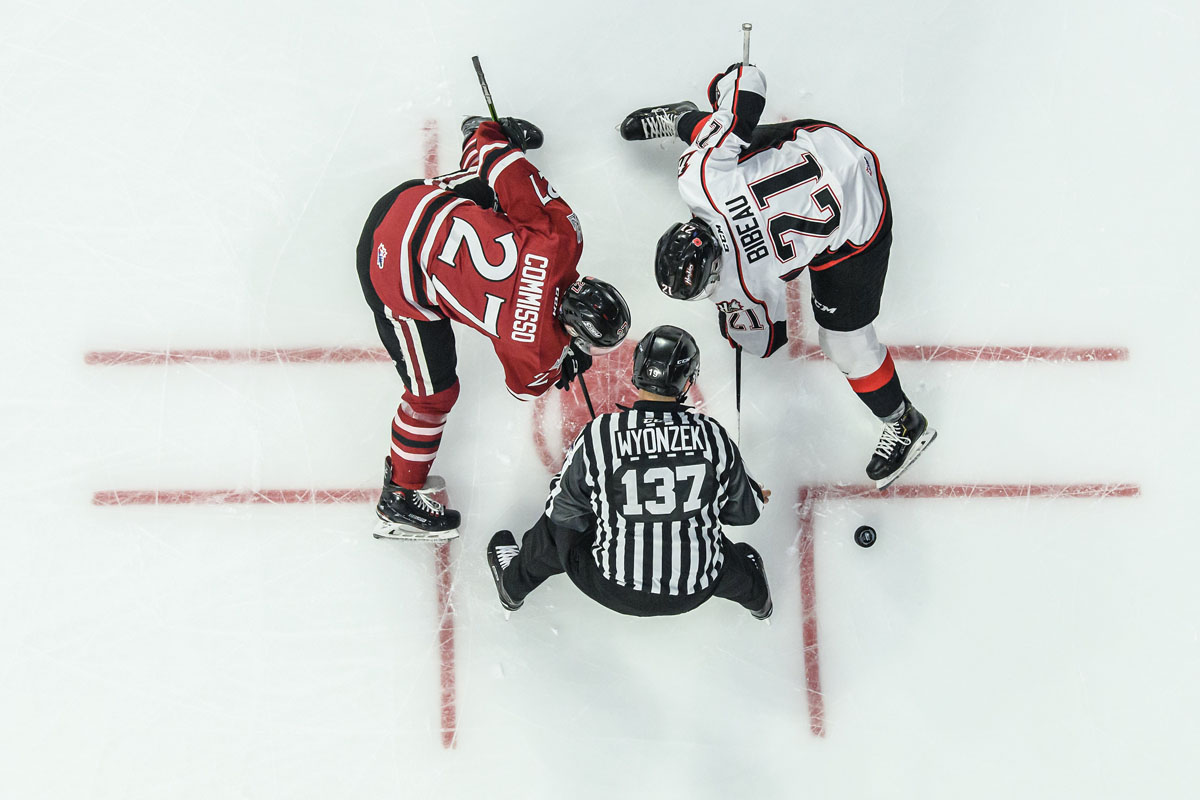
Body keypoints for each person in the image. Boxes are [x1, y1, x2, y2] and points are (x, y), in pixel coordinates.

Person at [620, 64, 936, 489]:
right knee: (724, 142)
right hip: (828, 142)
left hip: (863, 215)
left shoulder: (742, 288)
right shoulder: (699, 181)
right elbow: (748, 82)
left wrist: (731, 319)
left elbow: (767, 342)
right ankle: (688, 121)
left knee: (844, 341)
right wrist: (726, 93)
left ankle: (905, 422)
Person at [357, 116, 631, 539]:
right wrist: (562, 361)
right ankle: (399, 497)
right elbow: (525, 387)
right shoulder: (537, 349)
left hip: (405, 203)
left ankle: (473, 136)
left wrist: (492, 138)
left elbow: (508, 169)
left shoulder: (561, 237)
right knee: (433, 395)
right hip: (390, 274)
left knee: (500, 193)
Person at [486, 325, 773, 620]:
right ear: (688, 381)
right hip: (695, 589)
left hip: (611, 586)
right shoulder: (712, 436)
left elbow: (562, 510)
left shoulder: (601, 433)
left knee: (557, 527)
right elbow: (745, 513)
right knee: (713, 548)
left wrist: (603, 497)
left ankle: (513, 586)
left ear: (636, 371)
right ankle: (759, 601)